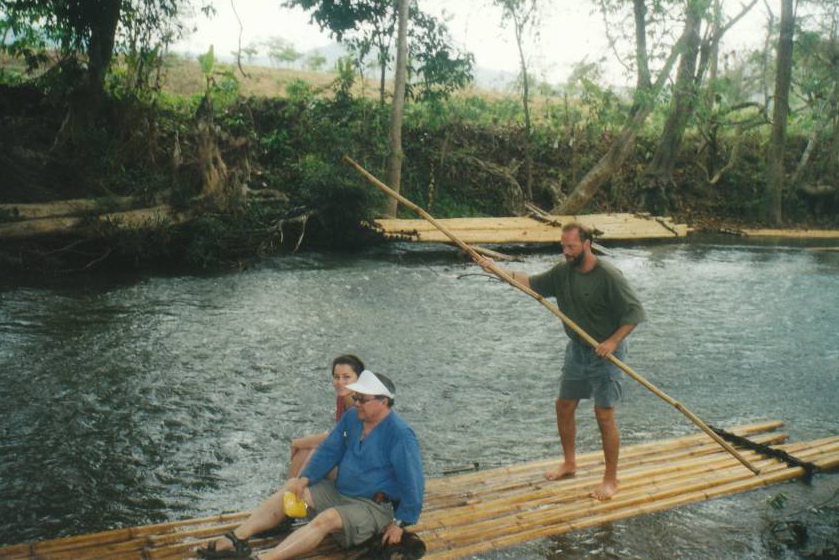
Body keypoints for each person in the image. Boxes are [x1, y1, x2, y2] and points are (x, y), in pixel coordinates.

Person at [478, 222, 646, 500]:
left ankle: (610, 479)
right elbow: (531, 283)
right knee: (564, 405)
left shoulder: (608, 275)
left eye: (571, 247)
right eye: (563, 246)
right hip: (577, 350)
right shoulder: (562, 272)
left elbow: (634, 313)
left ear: (587, 244)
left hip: (606, 354)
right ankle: (569, 463)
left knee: (604, 416)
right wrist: (496, 270)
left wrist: (612, 342)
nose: (566, 252)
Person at [198, 370, 425, 559]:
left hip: (371, 507)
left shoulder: (401, 435)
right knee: (290, 490)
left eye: (362, 400)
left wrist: (400, 523)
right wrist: (304, 479)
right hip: (340, 492)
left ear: (383, 402)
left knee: (326, 519)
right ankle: (237, 538)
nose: (356, 403)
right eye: (355, 398)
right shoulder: (352, 418)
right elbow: (329, 450)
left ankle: (266, 558)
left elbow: (413, 483)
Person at [287, 354, 365, 478]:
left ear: (359, 379)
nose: (340, 382)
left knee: (308, 453)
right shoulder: (343, 397)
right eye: (336, 377)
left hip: (360, 468)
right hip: (349, 457)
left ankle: (287, 492)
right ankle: (288, 492)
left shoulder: (357, 404)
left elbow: (337, 439)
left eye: (346, 377)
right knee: (306, 452)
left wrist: (298, 442)